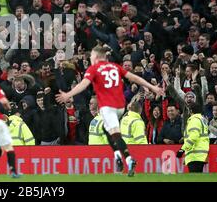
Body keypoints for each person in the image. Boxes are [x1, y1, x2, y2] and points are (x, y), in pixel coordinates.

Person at [56, 46, 164, 176]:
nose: (90, 59)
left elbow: (83, 85)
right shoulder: (115, 67)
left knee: (115, 134)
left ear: (96, 57)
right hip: (120, 106)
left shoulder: (94, 68)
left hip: (108, 107)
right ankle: (118, 157)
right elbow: (135, 78)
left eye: (91, 56)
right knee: (107, 129)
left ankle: (128, 159)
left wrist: (68, 94)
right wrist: (153, 87)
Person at [176, 103, 210, 173]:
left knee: (195, 178)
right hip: (200, 153)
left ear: (190, 111)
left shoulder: (194, 120)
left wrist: (182, 149)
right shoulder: (201, 120)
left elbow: (194, 136)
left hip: (195, 153)